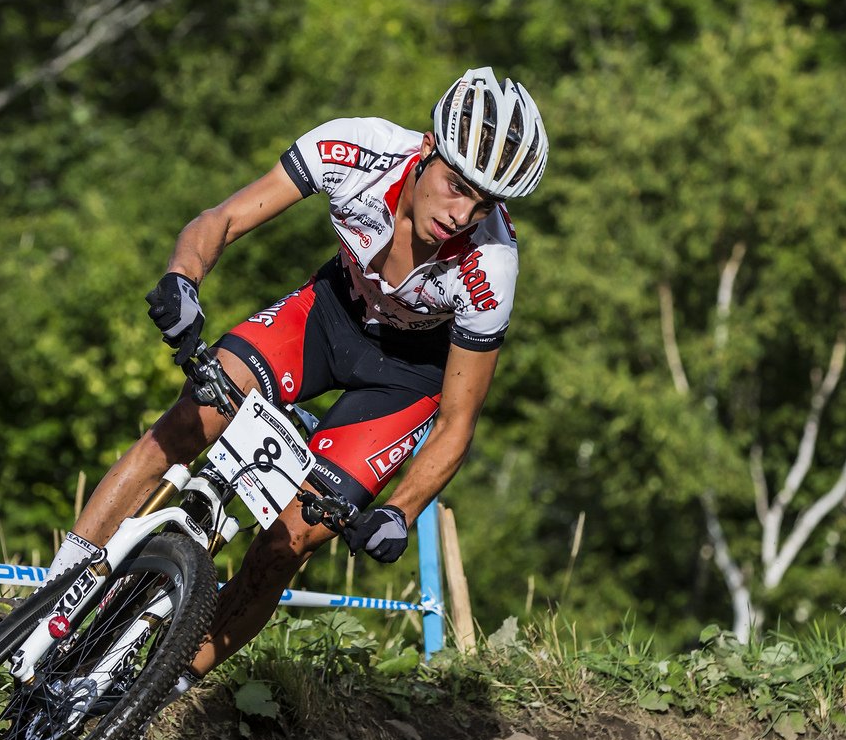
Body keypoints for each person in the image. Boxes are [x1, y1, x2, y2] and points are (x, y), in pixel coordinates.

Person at [38, 66, 548, 693]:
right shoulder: (357, 149)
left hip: (405, 379)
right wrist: (182, 278)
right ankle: (48, 602)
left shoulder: (490, 268)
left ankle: (147, 693)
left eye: (485, 201)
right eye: (455, 185)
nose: (461, 212)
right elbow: (220, 220)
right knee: (192, 416)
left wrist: (399, 512)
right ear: (426, 147)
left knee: (290, 541)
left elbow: (457, 421)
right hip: (328, 315)